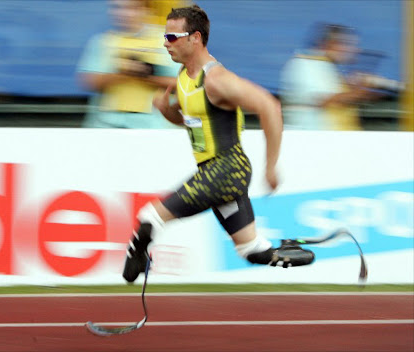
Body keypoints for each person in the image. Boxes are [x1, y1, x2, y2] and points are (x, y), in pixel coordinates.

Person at [122, 4, 314, 283]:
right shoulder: (184, 77)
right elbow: (190, 120)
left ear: (195, 38)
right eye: (165, 37)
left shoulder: (217, 79)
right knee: (251, 250)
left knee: (150, 218)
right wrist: (167, 111)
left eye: (172, 37)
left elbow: (270, 107)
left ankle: (136, 265)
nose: (166, 43)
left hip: (226, 170)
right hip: (214, 173)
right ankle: (293, 251)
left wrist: (271, 166)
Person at [77, 0, 182, 129]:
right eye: (117, 8)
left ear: (146, 10)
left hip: (153, 126)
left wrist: (146, 75)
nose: (123, 14)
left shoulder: (165, 42)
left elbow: (184, 83)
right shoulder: (102, 42)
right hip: (108, 124)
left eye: (131, 8)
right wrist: (124, 73)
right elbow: (88, 82)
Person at [279, 23, 382, 131]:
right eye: (349, 44)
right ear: (330, 44)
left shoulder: (325, 66)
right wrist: (363, 90)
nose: (355, 50)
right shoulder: (305, 64)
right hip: (316, 141)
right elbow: (326, 100)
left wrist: (356, 88)